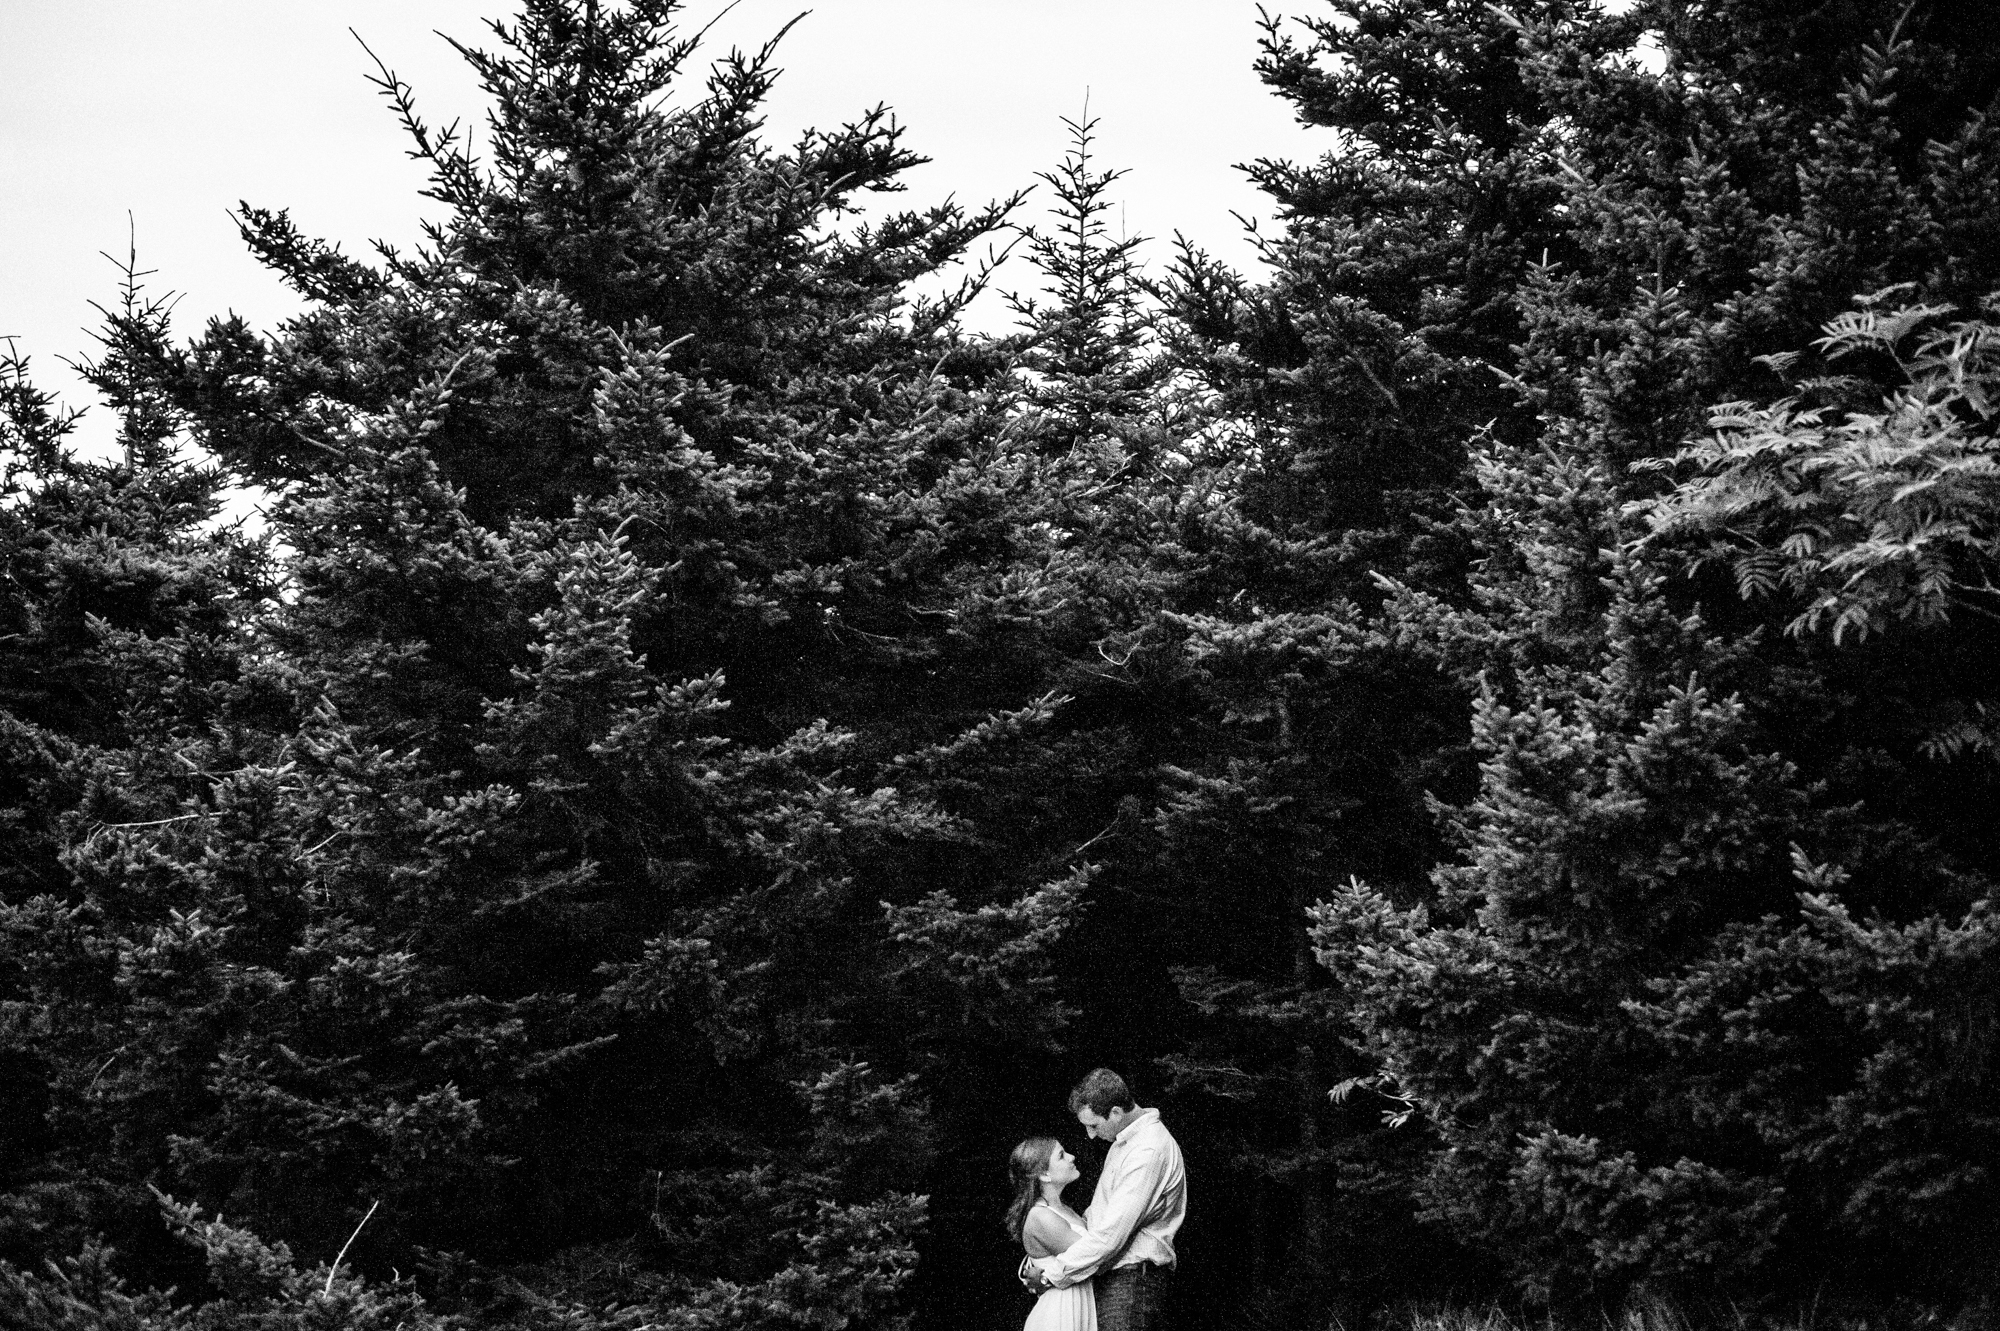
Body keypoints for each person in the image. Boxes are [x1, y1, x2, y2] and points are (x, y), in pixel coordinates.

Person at [1024, 1068, 1186, 1331]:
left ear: (1115, 1113)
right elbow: (1099, 1217)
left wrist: (1050, 1276)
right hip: (1119, 1280)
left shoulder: (1148, 1150)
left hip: (1132, 1281)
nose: (1090, 1134)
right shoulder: (1125, 1143)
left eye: (1093, 1125)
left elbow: (1110, 1236)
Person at [1007, 1136, 1097, 1331]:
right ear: (1044, 1174)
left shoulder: (1063, 1209)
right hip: (1059, 1314)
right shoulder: (1040, 1216)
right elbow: (1094, 1255)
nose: (1072, 1157)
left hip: (1077, 1307)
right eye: (1061, 1156)